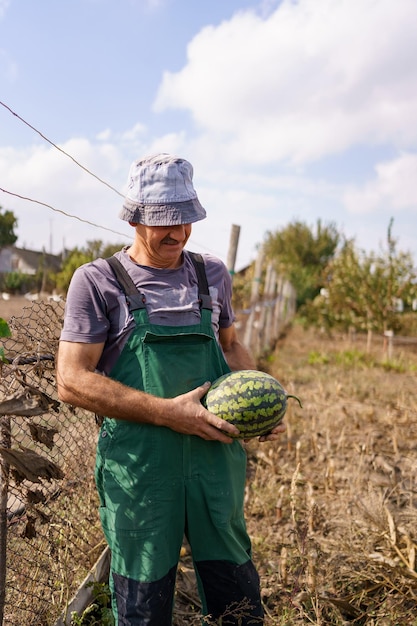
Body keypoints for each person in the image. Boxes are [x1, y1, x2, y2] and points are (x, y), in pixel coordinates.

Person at [57, 153, 285, 626]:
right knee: (144, 607)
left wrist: (260, 398)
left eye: (186, 218)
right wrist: (167, 413)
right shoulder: (98, 282)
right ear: (134, 216)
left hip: (214, 465)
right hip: (141, 472)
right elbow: (72, 380)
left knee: (237, 602)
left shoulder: (212, 275)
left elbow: (233, 346)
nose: (178, 233)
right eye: (164, 221)